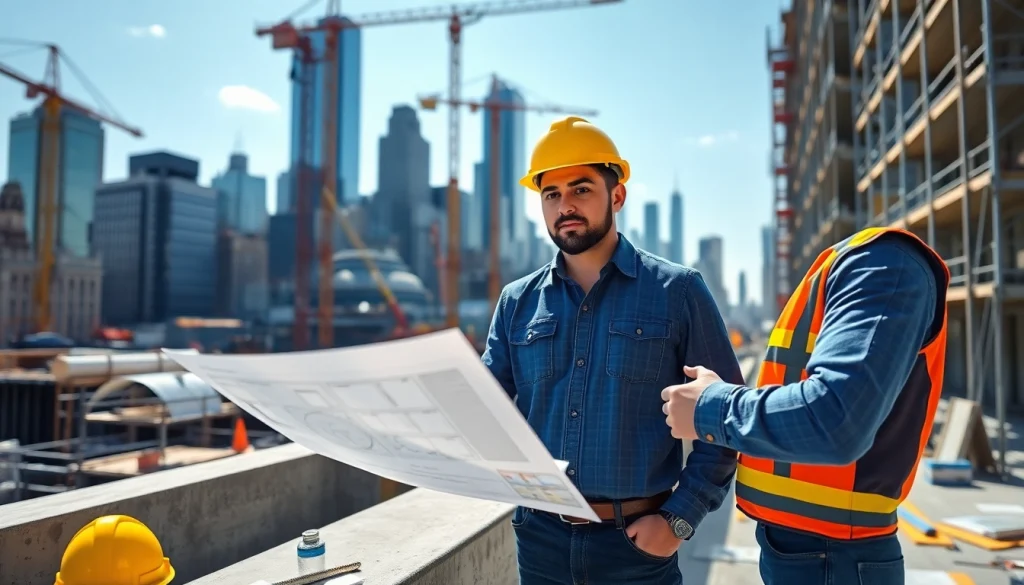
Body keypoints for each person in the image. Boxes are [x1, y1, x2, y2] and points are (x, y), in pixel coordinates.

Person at [482, 116, 742, 585]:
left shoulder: (678, 291)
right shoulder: (516, 302)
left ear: (616, 195)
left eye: (581, 189)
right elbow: (484, 413)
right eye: (552, 194)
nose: (566, 206)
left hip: (638, 549)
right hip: (540, 543)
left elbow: (724, 422)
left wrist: (678, 521)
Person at [661, 227, 950, 584]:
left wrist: (709, 408)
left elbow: (837, 422)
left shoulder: (884, 265)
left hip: (835, 556)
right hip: (806, 550)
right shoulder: (842, 268)